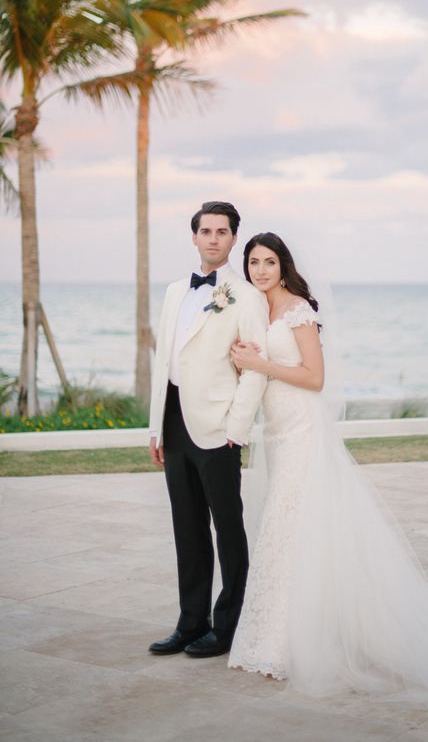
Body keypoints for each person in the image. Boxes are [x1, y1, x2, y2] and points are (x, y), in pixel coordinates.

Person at [227, 232, 428, 720]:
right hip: (277, 431)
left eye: (269, 261)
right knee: (283, 525)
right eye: (254, 262)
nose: (261, 270)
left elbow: (316, 378)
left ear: (284, 265)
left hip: (304, 428)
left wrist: (260, 362)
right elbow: (254, 369)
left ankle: (298, 642)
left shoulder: (297, 311)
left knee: (295, 523)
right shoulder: (255, 309)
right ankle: (276, 635)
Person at [147, 201, 268, 659]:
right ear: (194, 237)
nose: (213, 238)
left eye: (222, 231)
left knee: (228, 530)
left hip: (220, 428)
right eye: (206, 231)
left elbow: (254, 369)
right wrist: (156, 427)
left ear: (234, 239)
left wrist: (236, 427)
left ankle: (227, 628)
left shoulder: (246, 295)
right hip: (175, 422)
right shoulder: (176, 291)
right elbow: (165, 362)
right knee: (187, 529)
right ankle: (189, 623)